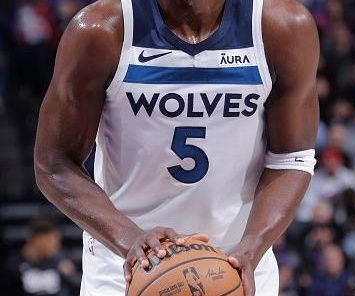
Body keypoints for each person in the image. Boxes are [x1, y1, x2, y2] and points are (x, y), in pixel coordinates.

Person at [34, 0, 319, 295]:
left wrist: (253, 245)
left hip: (238, 262)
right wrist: (130, 239)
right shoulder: (101, 30)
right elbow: (53, 164)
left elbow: (292, 158)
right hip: (128, 263)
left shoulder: (282, 28)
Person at [6, 219, 78, 296]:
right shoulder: (14, 265)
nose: (56, 246)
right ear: (36, 239)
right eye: (50, 241)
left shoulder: (61, 262)